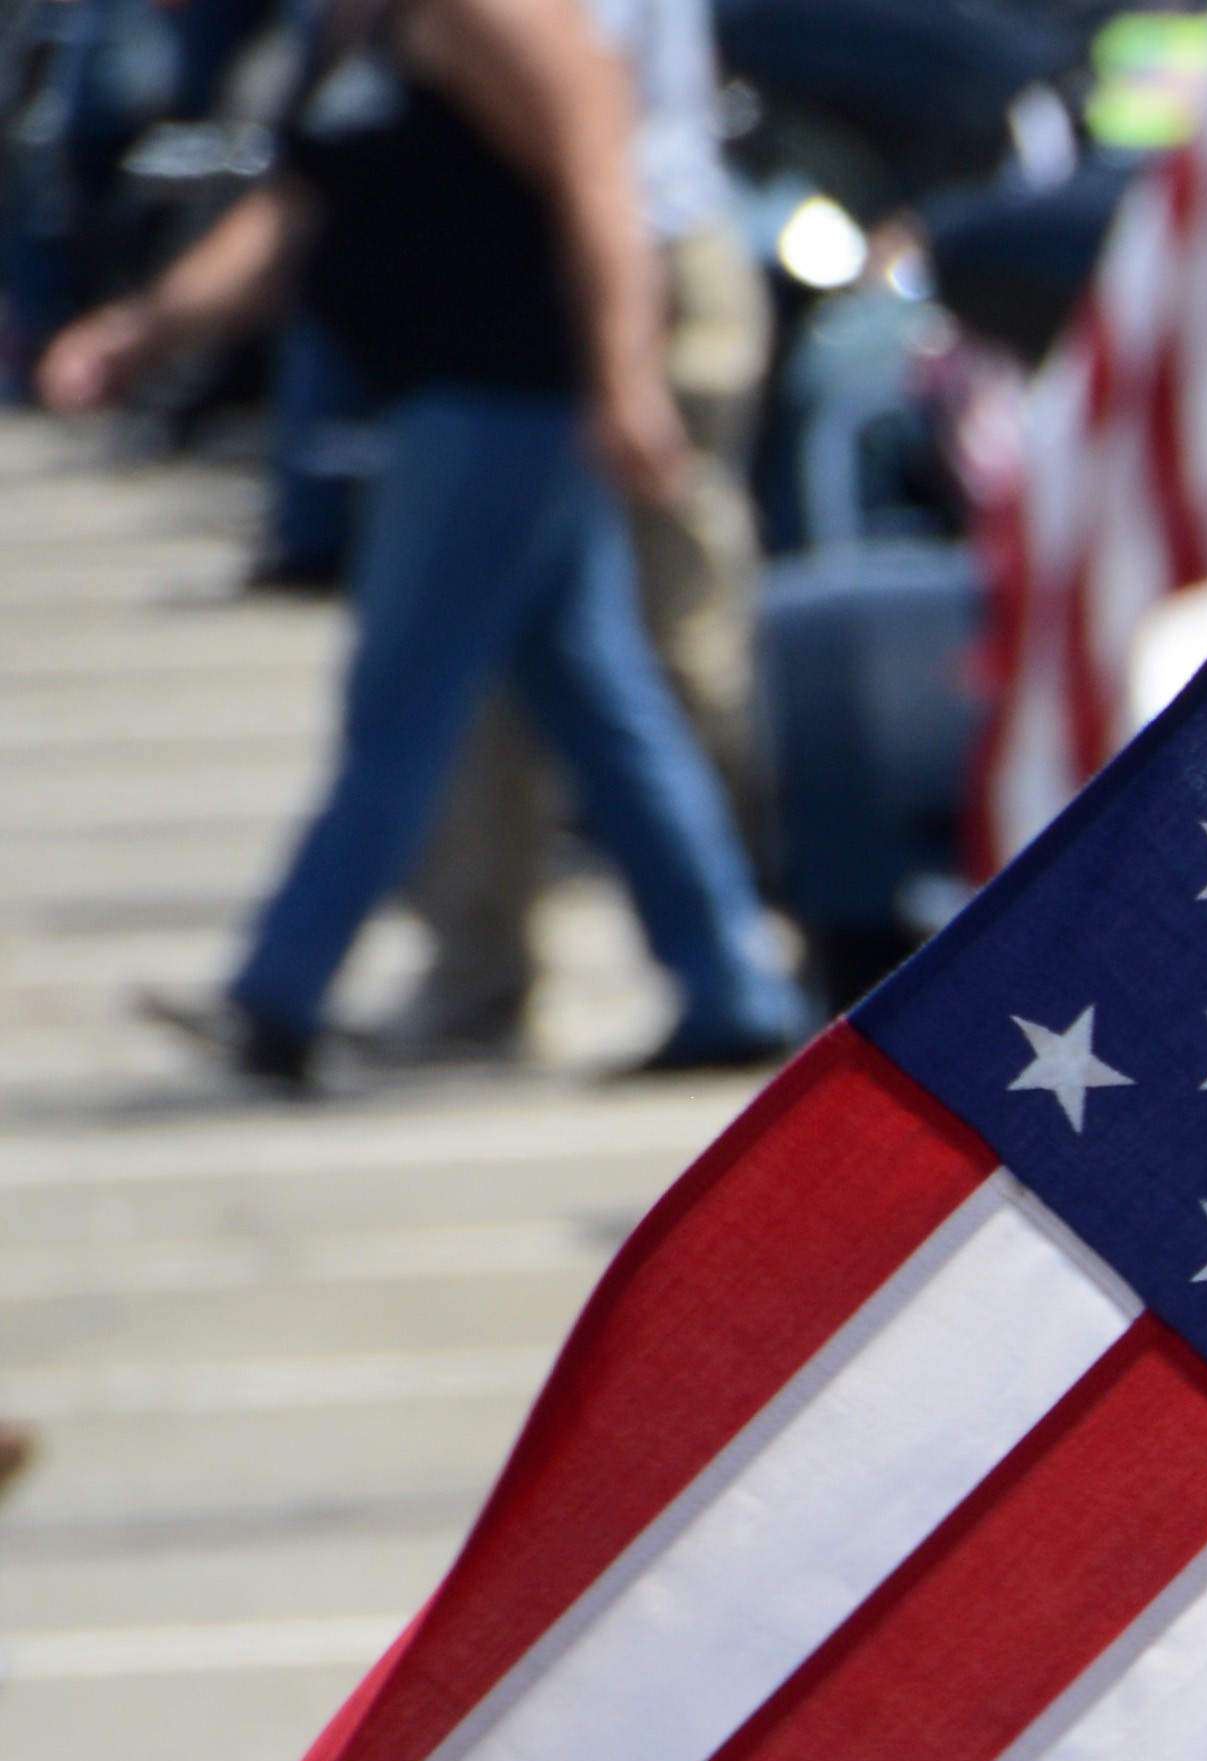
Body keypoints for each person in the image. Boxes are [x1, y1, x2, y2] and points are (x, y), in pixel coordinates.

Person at [37, 0, 801, 1089]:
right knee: (598, 697)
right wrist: (144, 330)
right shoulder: (361, 29)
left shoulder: (490, 12)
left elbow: (599, 172)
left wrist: (625, 377)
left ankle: (278, 992)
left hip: (506, 398)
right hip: (450, 398)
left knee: (401, 698)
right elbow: (292, 214)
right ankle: (731, 982)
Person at [385, 0, 746, 1059]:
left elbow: (595, 137)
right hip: (572, 274)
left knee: (667, 650)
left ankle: (728, 965)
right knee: (537, 654)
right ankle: (492, 971)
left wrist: (623, 371)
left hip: (622, 267)